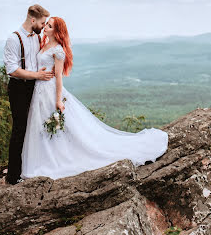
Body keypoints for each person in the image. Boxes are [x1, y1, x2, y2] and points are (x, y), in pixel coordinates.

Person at [20, 16, 168, 180]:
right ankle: (44, 158)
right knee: (39, 125)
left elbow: (59, 77)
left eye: (50, 26)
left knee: (57, 127)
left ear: (57, 31)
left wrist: (57, 100)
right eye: (46, 24)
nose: (46, 27)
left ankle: (57, 158)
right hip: (39, 90)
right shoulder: (44, 44)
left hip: (50, 90)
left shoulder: (58, 50)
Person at [3, 4, 54, 185]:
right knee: (20, 129)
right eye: (42, 22)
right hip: (19, 88)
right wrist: (37, 75)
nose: (43, 25)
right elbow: (13, 70)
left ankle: (30, 167)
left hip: (34, 86)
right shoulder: (13, 39)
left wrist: (40, 74)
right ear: (33, 20)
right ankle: (13, 176)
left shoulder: (35, 37)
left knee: (35, 127)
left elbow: (32, 62)